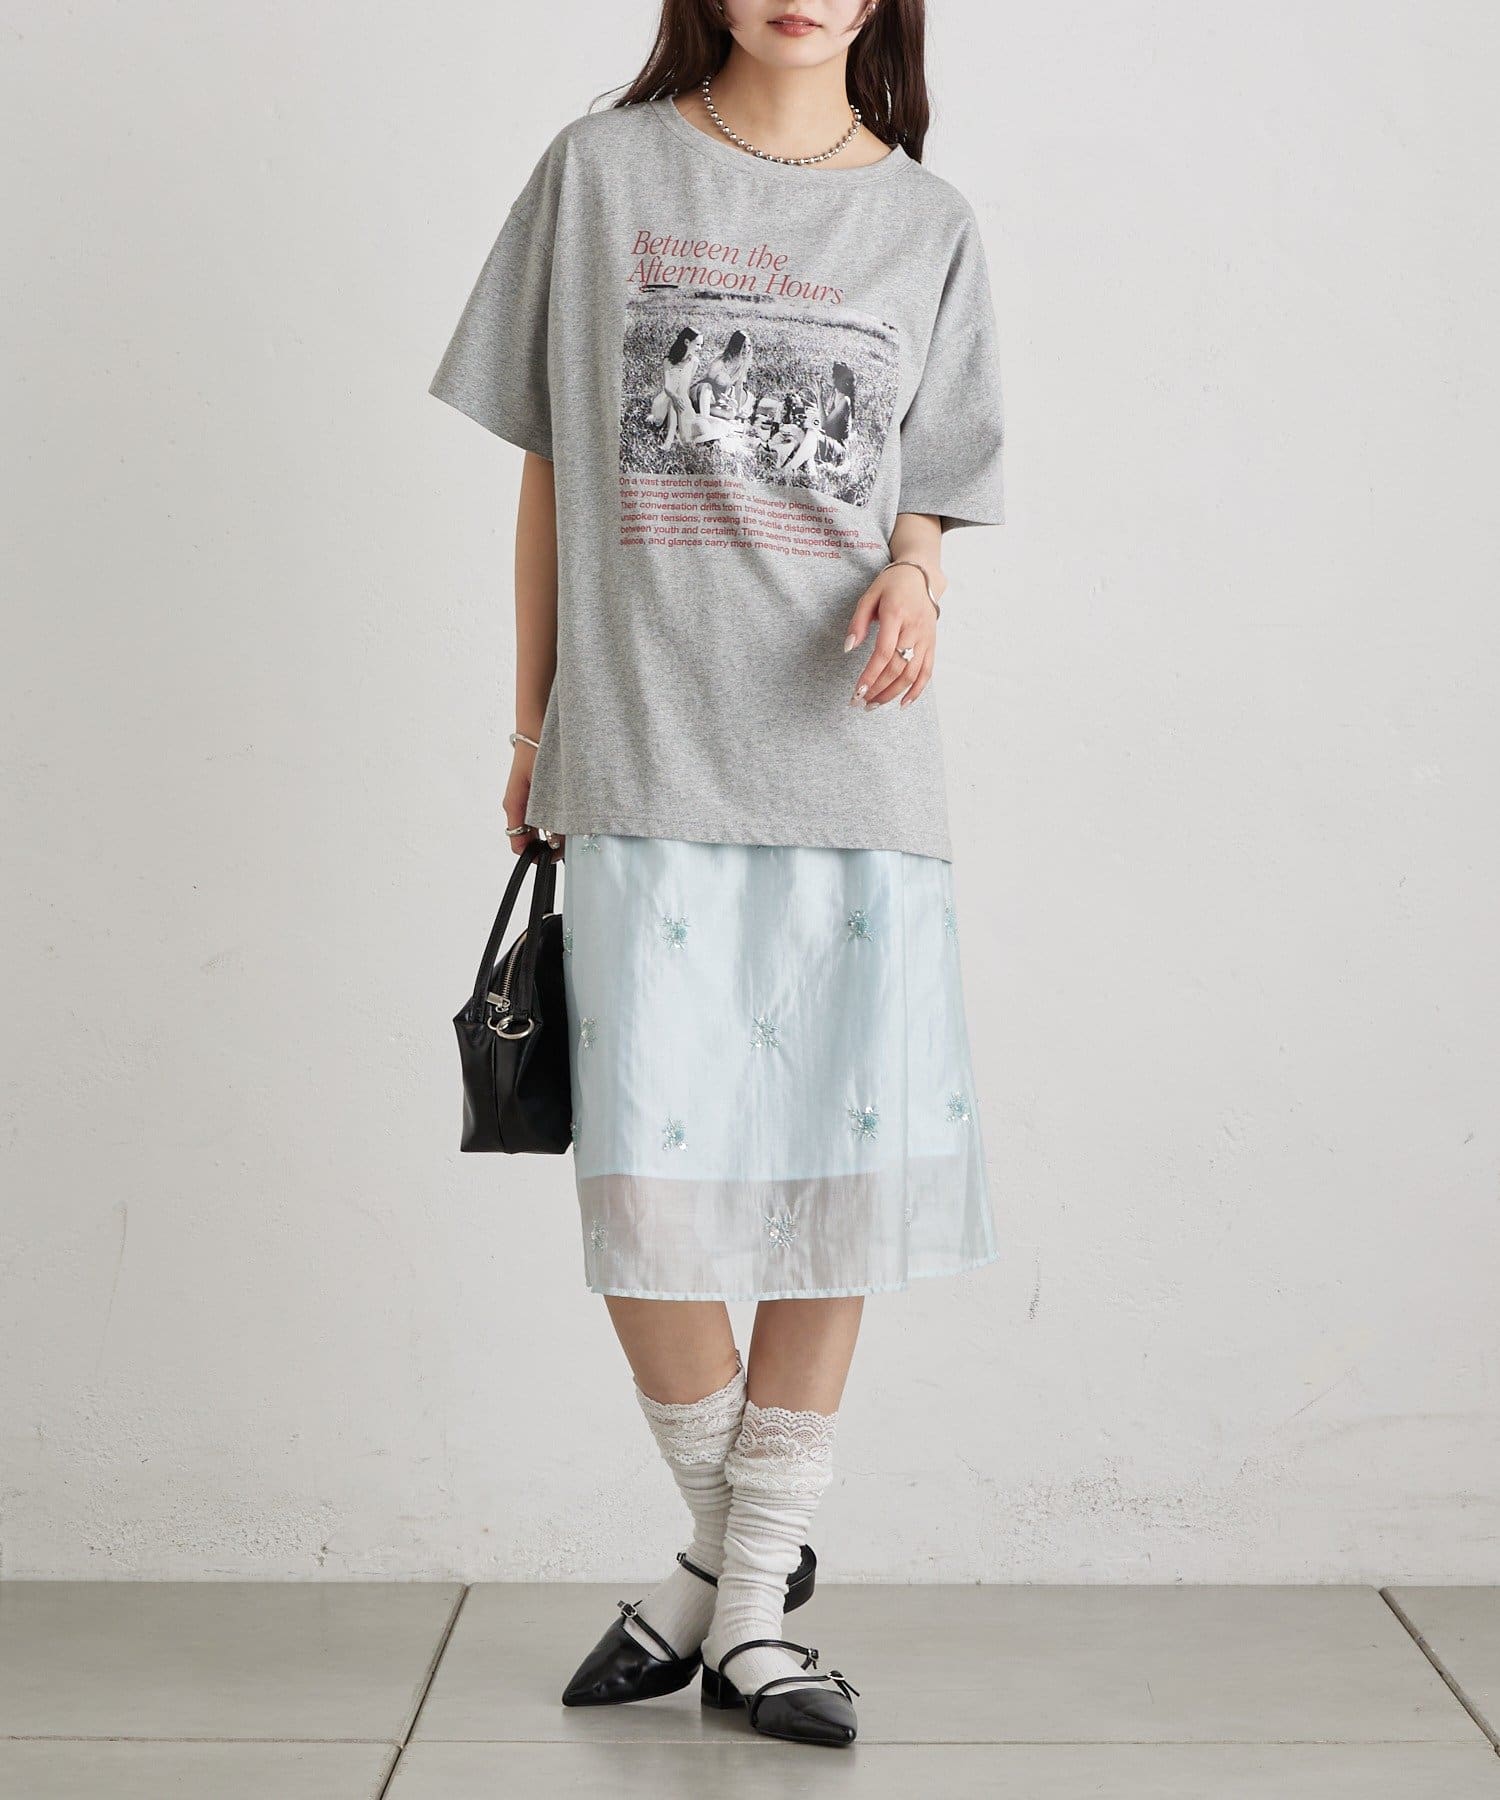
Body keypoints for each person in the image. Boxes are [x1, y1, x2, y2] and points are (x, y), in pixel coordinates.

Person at [429, 0, 1006, 1752]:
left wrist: (918, 571)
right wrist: (532, 722)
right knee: (647, 1192)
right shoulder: (599, 173)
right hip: (646, 748)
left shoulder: (928, 219)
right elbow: (551, 468)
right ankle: (745, 1551)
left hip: (847, 757)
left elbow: (932, 477)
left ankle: (736, 1604)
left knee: (837, 1177)